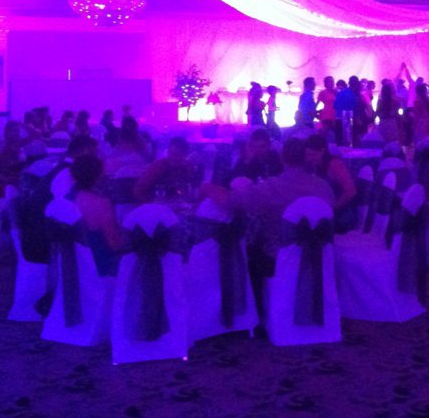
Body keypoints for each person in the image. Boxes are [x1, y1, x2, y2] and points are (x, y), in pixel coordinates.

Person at [201, 137, 335, 326]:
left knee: (247, 255)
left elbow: (231, 202)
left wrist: (208, 188)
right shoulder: (323, 187)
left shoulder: (271, 187)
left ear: (282, 158)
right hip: (319, 256)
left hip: (278, 258)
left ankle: (257, 316)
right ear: (305, 157)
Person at [70, 153, 125, 274]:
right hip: (101, 266)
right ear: (98, 176)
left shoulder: (68, 200)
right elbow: (114, 243)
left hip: (73, 265)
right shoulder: (101, 203)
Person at [305, 133, 356, 230]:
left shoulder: (334, 164)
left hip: (342, 214)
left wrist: (334, 207)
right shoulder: (315, 165)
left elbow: (351, 191)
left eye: (312, 154)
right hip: (326, 210)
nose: (309, 158)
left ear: (322, 151)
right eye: (307, 155)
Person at [133, 136, 191, 202]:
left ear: (185, 154)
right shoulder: (158, 166)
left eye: (177, 154)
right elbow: (138, 191)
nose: (173, 157)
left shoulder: (187, 167)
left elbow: (188, 191)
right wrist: (152, 201)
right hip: (156, 204)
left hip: (178, 204)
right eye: (171, 153)